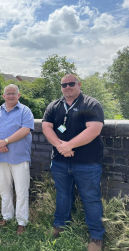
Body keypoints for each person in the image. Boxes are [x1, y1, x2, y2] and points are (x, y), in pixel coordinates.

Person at [42, 74, 105, 251]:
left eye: (71, 84)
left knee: (91, 198)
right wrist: (61, 147)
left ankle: (97, 236)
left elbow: (94, 129)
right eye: (64, 84)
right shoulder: (54, 106)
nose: (67, 87)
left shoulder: (91, 104)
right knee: (62, 194)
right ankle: (60, 225)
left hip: (87, 163)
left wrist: (68, 145)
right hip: (60, 162)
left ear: (79, 84)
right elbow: (47, 127)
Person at [0, 84, 34, 235]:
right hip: (1, 156)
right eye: (8, 93)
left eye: (14, 93)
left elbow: (26, 130)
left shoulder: (25, 111)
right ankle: (6, 216)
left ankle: (22, 222)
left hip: (19, 157)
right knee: (4, 189)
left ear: (18, 95)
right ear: (3, 96)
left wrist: (5, 141)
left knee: (21, 191)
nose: (11, 96)